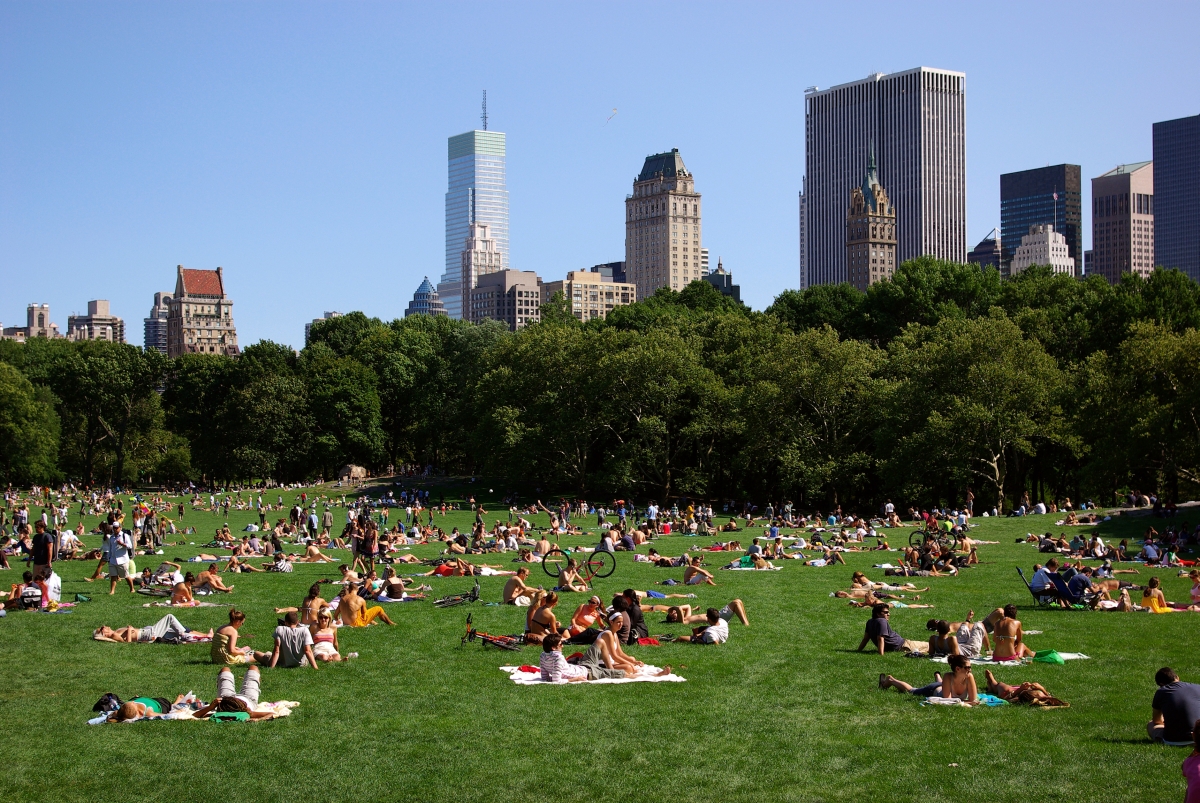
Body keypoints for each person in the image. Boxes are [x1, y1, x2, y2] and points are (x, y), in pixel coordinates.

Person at [879, 655, 979, 704]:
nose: (970, 670)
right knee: (912, 691)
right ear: (958, 669)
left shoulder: (969, 677)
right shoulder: (948, 676)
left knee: (941, 683)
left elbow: (973, 699)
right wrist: (967, 702)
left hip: (943, 686)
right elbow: (948, 700)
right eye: (967, 667)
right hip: (934, 690)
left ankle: (937, 676)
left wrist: (968, 702)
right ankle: (891, 680)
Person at [191, 667, 275, 720]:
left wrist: (211, 707)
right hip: (249, 698)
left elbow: (195, 715)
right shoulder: (247, 712)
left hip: (226, 698)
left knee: (225, 670)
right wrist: (257, 720)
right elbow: (271, 714)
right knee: (253, 668)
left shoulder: (223, 709)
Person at [1149, 667, 1200, 744]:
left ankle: (1160, 739)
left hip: (1173, 740)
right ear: (1177, 677)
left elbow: (1157, 720)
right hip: (1198, 737)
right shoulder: (1197, 687)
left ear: (1161, 684)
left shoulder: (1161, 692)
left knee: (1151, 724)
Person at [857, 604, 927, 655]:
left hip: (900, 645)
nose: (888, 614)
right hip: (903, 645)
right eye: (886, 612)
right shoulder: (882, 621)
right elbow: (880, 638)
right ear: (878, 614)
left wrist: (858, 651)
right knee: (930, 645)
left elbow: (866, 639)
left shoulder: (870, 622)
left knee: (927, 648)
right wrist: (881, 654)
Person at [93, 614, 212, 643]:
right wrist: (129, 630)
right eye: (103, 627)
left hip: (147, 632)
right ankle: (184, 634)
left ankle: (206, 637)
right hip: (148, 634)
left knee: (176, 634)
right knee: (169, 617)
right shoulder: (114, 634)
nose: (106, 626)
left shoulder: (115, 631)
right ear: (104, 632)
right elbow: (127, 643)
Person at [108, 526, 135, 595]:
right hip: (113, 559)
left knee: (126, 576)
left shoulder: (124, 535)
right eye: (114, 528)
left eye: (116, 528)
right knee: (113, 576)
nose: (115, 529)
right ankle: (112, 591)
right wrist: (109, 557)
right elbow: (110, 548)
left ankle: (132, 588)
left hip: (122, 559)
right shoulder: (111, 537)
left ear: (120, 528)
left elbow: (130, 546)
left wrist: (122, 544)